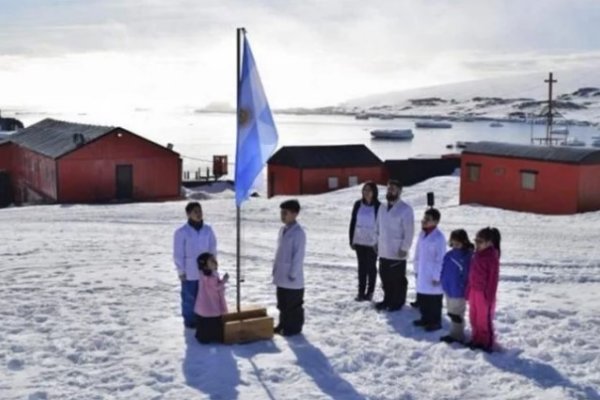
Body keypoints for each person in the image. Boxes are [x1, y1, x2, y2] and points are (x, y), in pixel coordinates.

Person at [173, 202, 218, 329]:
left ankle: (203, 317)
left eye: (200, 211)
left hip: (205, 270)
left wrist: (213, 264)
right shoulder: (182, 232)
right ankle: (190, 320)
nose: (199, 214)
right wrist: (181, 271)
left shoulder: (208, 230)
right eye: (195, 212)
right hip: (190, 270)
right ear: (188, 214)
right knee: (190, 296)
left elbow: (212, 248)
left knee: (205, 296)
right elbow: (178, 253)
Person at [374, 180, 415, 312]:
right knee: (385, 277)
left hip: (398, 250)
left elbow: (409, 231)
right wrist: (375, 242)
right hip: (383, 249)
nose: (390, 191)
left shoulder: (405, 209)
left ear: (399, 191)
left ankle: (398, 302)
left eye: (393, 189)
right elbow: (377, 226)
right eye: (389, 189)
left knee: (397, 279)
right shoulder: (382, 207)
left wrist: (405, 248)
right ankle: (387, 299)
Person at [272, 199, 307, 336]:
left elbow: (298, 256)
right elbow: (279, 252)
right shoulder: (283, 230)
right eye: (281, 212)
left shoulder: (299, 233)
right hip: (281, 275)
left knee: (293, 305)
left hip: (293, 278)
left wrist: (293, 273)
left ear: (294, 214)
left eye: (285, 213)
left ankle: (293, 328)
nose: (282, 215)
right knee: (282, 304)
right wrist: (275, 269)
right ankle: (283, 324)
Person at [467, 227, 501, 352]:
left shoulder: (492, 257)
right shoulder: (476, 254)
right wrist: (468, 290)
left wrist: (489, 297)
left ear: (489, 242)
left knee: (483, 319)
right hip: (473, 291)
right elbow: (471, 274)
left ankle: (486, 342)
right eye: (476, 241)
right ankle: (476, 338)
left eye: (480, 241)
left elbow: (493, 280)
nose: (477, 244)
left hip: (484, 294)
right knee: (473, 317)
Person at [412, 208, 446, 331]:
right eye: (424, 218)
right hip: (422, 272)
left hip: (433, 274)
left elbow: (441, 259)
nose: (424, 221)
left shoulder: (439, 238)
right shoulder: (422, 234)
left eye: (428, 219)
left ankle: (436, 322)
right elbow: (417, 253)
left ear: (436, 222)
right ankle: (425, 318)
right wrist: (416, 268)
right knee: (424, 298)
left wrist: (437, 276)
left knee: (434, 300)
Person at [440, 229, 474, 343]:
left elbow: (469, 274)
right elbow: (444, 268)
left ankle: (457, 335)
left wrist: (463, 286)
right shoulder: (449, 255)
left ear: (464, 242)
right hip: (448, 288)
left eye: (458, 243)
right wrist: (442, 280)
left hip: (458, 291)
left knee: (457, 314)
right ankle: (454, 332)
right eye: (453, 243)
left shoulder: (467, 257)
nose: (455, 245)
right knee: (451, 312)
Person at [349, 182, 381, 301]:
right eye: (364, 190)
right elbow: (353, 222)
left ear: (374, 192)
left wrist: (379, 242)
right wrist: (351, 239)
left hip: (372, 242)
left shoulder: (378, 206)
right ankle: (361, 292)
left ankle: (370, 291)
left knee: (371, 267)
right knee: (361, 267)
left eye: (369, 190)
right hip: (359, 240)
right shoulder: (358, 204)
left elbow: (381, 226)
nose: (366, 192)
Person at [194, 253, 229, 343]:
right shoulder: (209, 277)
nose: (215, 262)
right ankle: (213, 337)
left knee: (206, 322)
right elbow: (216, 287)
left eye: (214, 260)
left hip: (205, 305)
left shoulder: (206, 274)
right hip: (210, 305)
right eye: (211, 261)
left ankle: (204, 336)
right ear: (205, 266)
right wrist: (224, 281)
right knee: (212, 321)